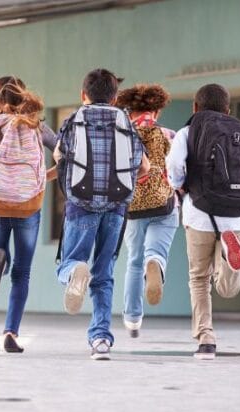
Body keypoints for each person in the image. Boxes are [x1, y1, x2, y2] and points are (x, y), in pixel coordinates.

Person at [167, 83, 240, 360]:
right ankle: (229, 260)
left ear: (195, 108)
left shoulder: (188, 131)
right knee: (227, 288)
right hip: (236, 217)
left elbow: (175, 164)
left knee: (199, 279)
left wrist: (179, 185)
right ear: (228, 108)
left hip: (199, 213)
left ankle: (206, 338)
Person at [53, 69, 149, 360]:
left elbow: (59, 155)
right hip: (117, 206)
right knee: (104, 272)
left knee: (68, 262)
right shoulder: (125, 122)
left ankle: (74, 272)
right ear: (115, 96)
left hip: (81, 203)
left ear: (84, 95)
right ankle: (100, 340)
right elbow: (143, 166)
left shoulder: (74, 119)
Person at [0, 76, 56, 353]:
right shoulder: (36, 125)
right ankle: (11, 331)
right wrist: (44, 177)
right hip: (28, 202)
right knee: (23, 273)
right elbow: (63, 151)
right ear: (24, 97)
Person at [115, 84, 178, 338]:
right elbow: (179, 172)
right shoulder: (167, 134)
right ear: (158, 110)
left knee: (133, 261)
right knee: (156, 251)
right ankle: (157, 263)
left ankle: (132, 319)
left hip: (132, 208)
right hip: (163, 204)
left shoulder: (123, 135)